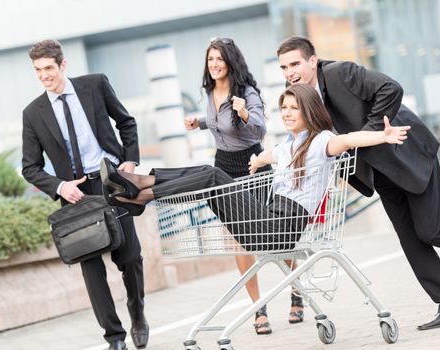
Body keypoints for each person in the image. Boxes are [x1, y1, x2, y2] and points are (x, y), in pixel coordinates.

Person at [98, 83, 409, 323]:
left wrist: (383, 136)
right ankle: (140, 189)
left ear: (309, 111)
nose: (287, 113)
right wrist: (258, 160)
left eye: (294, 108)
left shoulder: (321, 141)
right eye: (284, 107)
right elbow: (268, 155)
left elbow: (351, 140)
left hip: (282, 227)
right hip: (266, 220)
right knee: (209, 179)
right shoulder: (289, 145)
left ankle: (142, 188)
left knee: (210, 175)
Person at [276, 36, 440, 330]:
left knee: (430, 229)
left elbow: (390, 88)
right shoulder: (297, 93)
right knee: (410, 239)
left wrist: (373, 132)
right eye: (283, 67)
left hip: (407, 151)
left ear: (312, 61)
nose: (289, 72)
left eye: (295, 63)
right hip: (378, 169)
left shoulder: (339, 73)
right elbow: (304, 133)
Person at [21, 39, 149, 350]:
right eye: (38, 70)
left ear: (63, 65)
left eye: (49, 68)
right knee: (92, 268)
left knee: (130, 258)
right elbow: (30, 167)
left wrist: (129, 161)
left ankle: (137, 314)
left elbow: (126, 123)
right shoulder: (32, 113)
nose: (44, 76)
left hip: (111, 184)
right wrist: (60, 187)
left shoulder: (95, 85)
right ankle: (114, 337)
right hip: (75, 194)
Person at [183, 37, 279, 334]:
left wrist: (245, 112)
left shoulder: (246, 92)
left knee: (275, 233)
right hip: (223, 166)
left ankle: (297, 292)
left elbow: (261, 128)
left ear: (230, 62)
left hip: (253, 165)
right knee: (239, 239)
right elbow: (217, 121)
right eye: (210, 59)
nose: (214, 64)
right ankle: (257, 308)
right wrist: (198, 122)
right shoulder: (210, 91)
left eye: (219, 59)